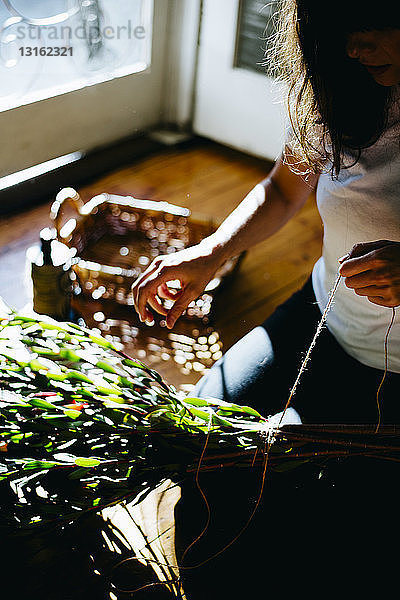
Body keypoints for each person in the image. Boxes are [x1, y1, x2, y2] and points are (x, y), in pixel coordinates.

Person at [132, 2, 400, 594]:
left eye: (371, 27)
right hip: (322, 319)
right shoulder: (344, 90)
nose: (353, 49)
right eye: (338, 35)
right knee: (197, 435)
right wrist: (208, 256)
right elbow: (282, 192)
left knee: (322, 533)